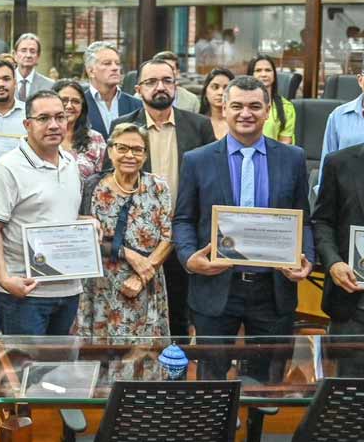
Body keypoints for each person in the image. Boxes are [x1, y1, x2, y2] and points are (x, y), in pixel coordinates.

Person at [172, 76, 314, 379]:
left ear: (267, 112)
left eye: (254, 106)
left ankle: (256, 428)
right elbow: (183, 219)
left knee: (268, 383)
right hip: (216, 286)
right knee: (211, 381)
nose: (245, 113)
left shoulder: (293, 158)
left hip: (273, 289)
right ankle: (212, 429)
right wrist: (188, 257)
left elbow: (304, 218)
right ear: (224, 109)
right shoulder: (197, 160)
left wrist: (307, 258)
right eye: (236, 106)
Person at [110, 59, 216, 337]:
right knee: (133, 315)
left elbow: (210, 183)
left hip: (184, 235)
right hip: (139, 239)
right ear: (138, 89)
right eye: (151, 82)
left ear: (175, 86)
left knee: (179, 315)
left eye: (167, 81)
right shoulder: (122, 126)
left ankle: (175, 374)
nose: (160, 87)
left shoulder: (199, 126)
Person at [0, 91, 84, 335]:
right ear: (27, 124)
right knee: (23, 370)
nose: (54, 125)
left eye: (60, 117)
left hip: (69, 290)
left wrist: (86, 225)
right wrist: (4, 278)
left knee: (57, 369)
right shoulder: (7, 168)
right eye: (44, 118)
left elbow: (60, 215)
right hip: (25, 292)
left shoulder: (71, 163)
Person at [77, 123, 172, 337]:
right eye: (122, 148)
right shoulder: (92, 185)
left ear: (145, 155)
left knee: (141, 352)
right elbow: (84, 236)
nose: (130, 155)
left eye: (137, 149)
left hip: (145, 281)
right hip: (102, 284)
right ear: (110, 151)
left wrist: (142, 276)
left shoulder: (158, 187)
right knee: (100, 351)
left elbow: (169, 237)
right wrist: (126, 253)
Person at [313, 140, 364, 336]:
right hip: (352, 303)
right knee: (350, 366)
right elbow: (322, 221)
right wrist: (333, 262)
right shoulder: (339, 162)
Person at [83, 41, 141, 138]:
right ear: (91, 71)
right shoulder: (79, 105)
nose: (115, 68)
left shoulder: (137, 105)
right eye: (107, 63)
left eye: (117, 63)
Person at [54, 80, 107, 179]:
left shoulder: (96, 139)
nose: (69, 106)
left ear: (82, 107)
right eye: (64, 100)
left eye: (75, 101)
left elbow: (104, 178)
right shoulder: (42, 136)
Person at [319, 69, 364, 172]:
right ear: (360, 80)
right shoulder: (338, 116)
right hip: (346, 186)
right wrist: (323, 187)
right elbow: (327, 160)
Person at [247, 55, 295, 144]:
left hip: (273, 156)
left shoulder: (286, 107)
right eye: (258, 70)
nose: (264, 74)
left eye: (268, 70)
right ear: (250, 74)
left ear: (274, 74)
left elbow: (285, 142)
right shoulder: (240, 104)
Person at [12, 34, 55, 100]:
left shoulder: (49, 85)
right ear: (15, 55)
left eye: (32, 51)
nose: (28, 55)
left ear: (38, 56)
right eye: (23, 51)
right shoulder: (5, 81)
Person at [199, 68, 234, 140]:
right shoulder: (196, 123)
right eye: (215, 87)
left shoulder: (240, 122)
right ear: (205, 92)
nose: (221, 92)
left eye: (226, 88)